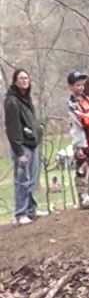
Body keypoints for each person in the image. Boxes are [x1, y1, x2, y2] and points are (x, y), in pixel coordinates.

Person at [5, 68, 46, 225]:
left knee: (32, 179)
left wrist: (39, 128)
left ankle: (31, 210)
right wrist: (19, 151)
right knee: (22, 179)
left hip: (33, 144)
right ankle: (21, 213)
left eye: (26, 78)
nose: (24, 81)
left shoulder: (26, 99)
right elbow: (12, 127)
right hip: (22, 147)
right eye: (21, 78)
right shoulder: (12, 101)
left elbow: (31, 121)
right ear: (15, 81)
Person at [65, 71, 89, 209]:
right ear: (71, 87)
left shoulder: (86, 98)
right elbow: (81, 119)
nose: (80, 88)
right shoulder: (71, 103)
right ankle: (82, 196)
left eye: (82, 85)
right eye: (77, 85)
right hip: (79, 138)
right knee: (82, 167)